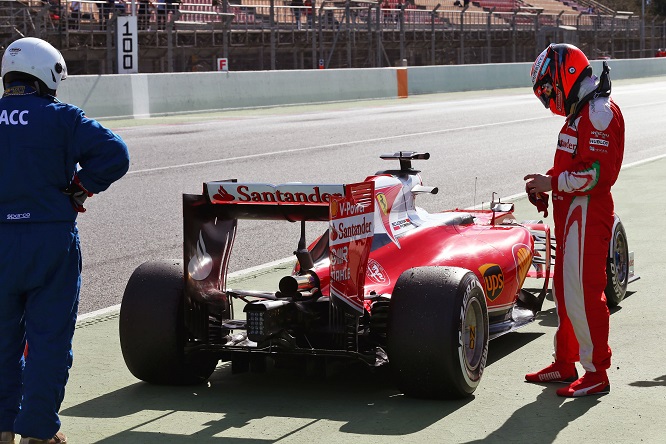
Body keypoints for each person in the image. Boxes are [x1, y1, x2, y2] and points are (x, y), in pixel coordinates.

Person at [0, 37, 130, 443]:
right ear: (47, 74)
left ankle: (2, 427)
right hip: (49, 242)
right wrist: (80, 188)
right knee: (49, 342)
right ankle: (37, 433)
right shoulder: (63, 117)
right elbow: (116, 154)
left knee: (1, 343)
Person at [524, 43, 624, 397]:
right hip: (571, 217)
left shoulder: (599, 113)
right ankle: (565, 363)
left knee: (584, 293)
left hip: (589, 216)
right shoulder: (582, 113)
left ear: (566, 74)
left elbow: (598, 175)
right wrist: (547, 183)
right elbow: (573, 165)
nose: (548, 98)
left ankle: (596, 372)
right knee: (565, 294)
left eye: (548, 89)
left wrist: (553, 183)